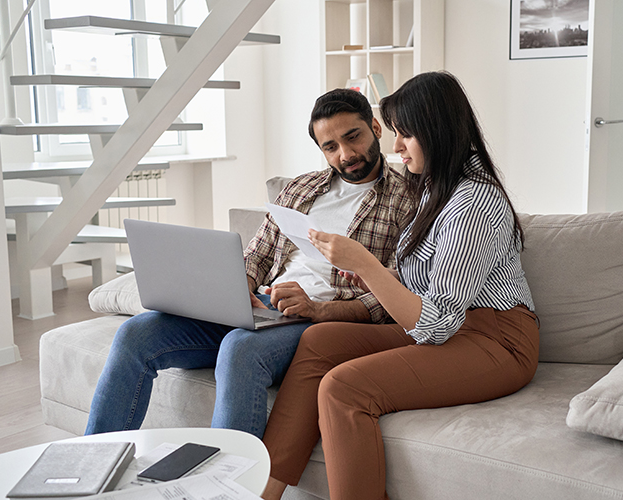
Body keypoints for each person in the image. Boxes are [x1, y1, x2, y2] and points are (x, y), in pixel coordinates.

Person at [260, 71, 540, 500]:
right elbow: (420, 283)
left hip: (496, 341)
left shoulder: (475, 202)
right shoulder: (437, 188)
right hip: (452, 327)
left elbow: (437, 324)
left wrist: (366, 264)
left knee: (344, 387)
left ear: (437, 131)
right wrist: (361, 274)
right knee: (318, 342)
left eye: (405, 135)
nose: (395, 147)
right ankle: (265, 492)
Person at [85, 88, 413, 440]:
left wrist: (317, 309)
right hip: (263, 307)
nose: (346, 154)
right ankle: (92, 465)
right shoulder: (301, 188)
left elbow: (390, 297)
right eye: (330, 147)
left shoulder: (407, 199)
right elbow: (255, 256)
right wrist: (236, 286)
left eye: (353, 137)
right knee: (136, 334)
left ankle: (231, 487)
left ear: (376, 129)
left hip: (319, 321)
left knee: (239, 349)